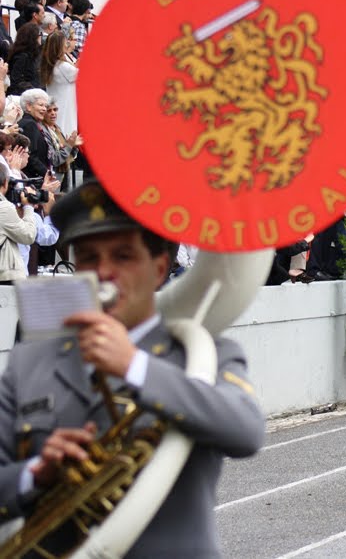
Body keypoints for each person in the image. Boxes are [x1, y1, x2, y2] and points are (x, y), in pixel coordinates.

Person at [0, 180, 264, 555]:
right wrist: (36, 474)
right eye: (89, 258)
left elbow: (246, 431)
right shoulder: (31, 360)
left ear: (159, 269)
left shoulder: (204, 353)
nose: (104, 272)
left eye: (123, 256)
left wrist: (133, 365)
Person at [0, 164, 39, 283]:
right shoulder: (4, 208)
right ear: (6, 182)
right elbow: (28, 235)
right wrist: (28, 207)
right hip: (5, 277)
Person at [40, 30, 80, 135]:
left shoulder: (50, 64)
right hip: (65, 106)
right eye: (64, 43)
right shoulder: (63, 66)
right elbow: (80, 75)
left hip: (57, 102)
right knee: (66, 131)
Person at [7, 24, 43, 96]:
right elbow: (16, 81)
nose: (41, 37)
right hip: (25, 96)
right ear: (33, 37)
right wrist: (34, 89)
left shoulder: (36, 53)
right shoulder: (22, 56)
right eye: (40, 34)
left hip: (36, 93)